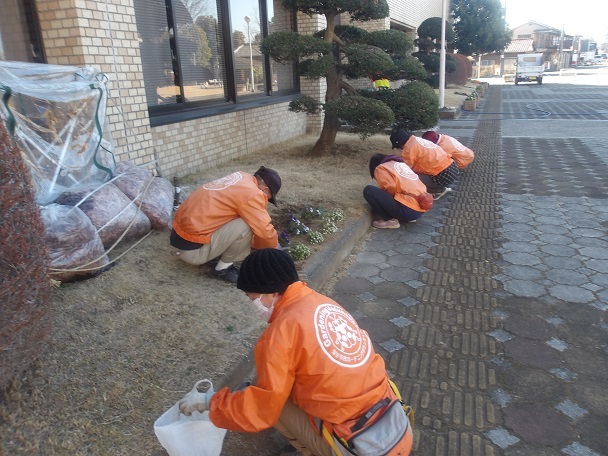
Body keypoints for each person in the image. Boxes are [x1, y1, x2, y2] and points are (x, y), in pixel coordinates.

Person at [178, 248, 414, 456]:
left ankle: (314, 450)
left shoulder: (281, 334)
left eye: (252, 296)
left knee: (275, 406)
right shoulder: (322, 302)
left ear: (269, 292)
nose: (252, 303)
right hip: (392, 426)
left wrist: (210, 402)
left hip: (363, 446)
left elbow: (263, 410)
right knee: (273, 383)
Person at [170, 167, 281, 283]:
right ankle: (222, 268)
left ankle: (214, 252)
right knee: (246, 225)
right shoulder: (252, 194)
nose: (266, 200)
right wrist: (274, 250)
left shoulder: (241, 177)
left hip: (179, 236)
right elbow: (264, 230)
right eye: (269, 198)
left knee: (241, 216)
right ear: (265, 190)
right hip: (192, 251)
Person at [364, 153, 434, 229]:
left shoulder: (381, 168)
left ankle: (390, 221)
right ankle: (406, 217)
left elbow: (390, 188)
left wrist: (382, 198)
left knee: (369, 190)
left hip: (408, 211)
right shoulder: (401, 164)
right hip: (420, 209)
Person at [389, 128, 459, 200]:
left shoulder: (408, 149)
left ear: (401, 144)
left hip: (443, 174)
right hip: (452, 167)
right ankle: (438, 186)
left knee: (410, 179)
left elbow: (405, 170)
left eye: (397, 147)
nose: (399, 149)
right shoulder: (417, 140)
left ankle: (439, 190)